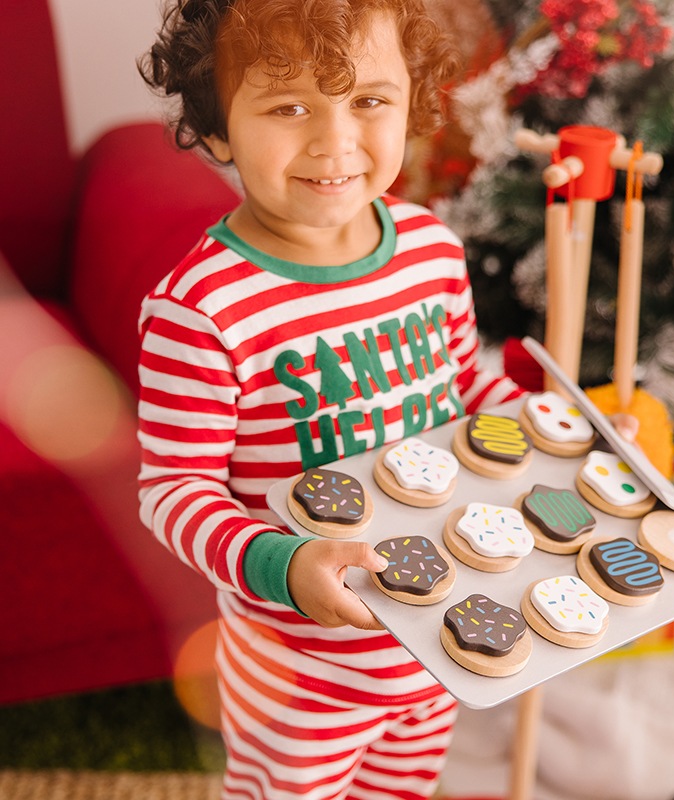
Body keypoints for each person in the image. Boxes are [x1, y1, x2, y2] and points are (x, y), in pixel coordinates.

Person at [137, 1, 524, 798]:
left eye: (369, 101)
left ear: (412, 102)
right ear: (216, 130)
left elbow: (464, 391)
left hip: (436, 638)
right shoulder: (202, 309)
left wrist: (555, 427)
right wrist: (285, 562)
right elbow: (174, 492)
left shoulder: (430, 249)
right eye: (288, 107)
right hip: (298, 675)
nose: (336, 140)